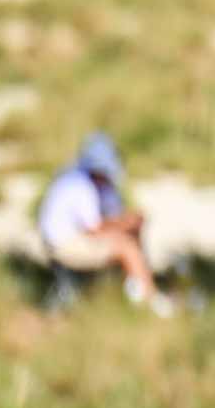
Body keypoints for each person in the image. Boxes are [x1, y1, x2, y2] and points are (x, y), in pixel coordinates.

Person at [37, 132, 175, 317]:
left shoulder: (92, 182)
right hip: (62, 246)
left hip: (68, 240)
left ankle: (138, 285)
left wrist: (126, 222)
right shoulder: (79, 186)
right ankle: (150, 299)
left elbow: (109, 216)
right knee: (126, 247)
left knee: (128, 237)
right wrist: (125, 223)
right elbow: (95, 228)